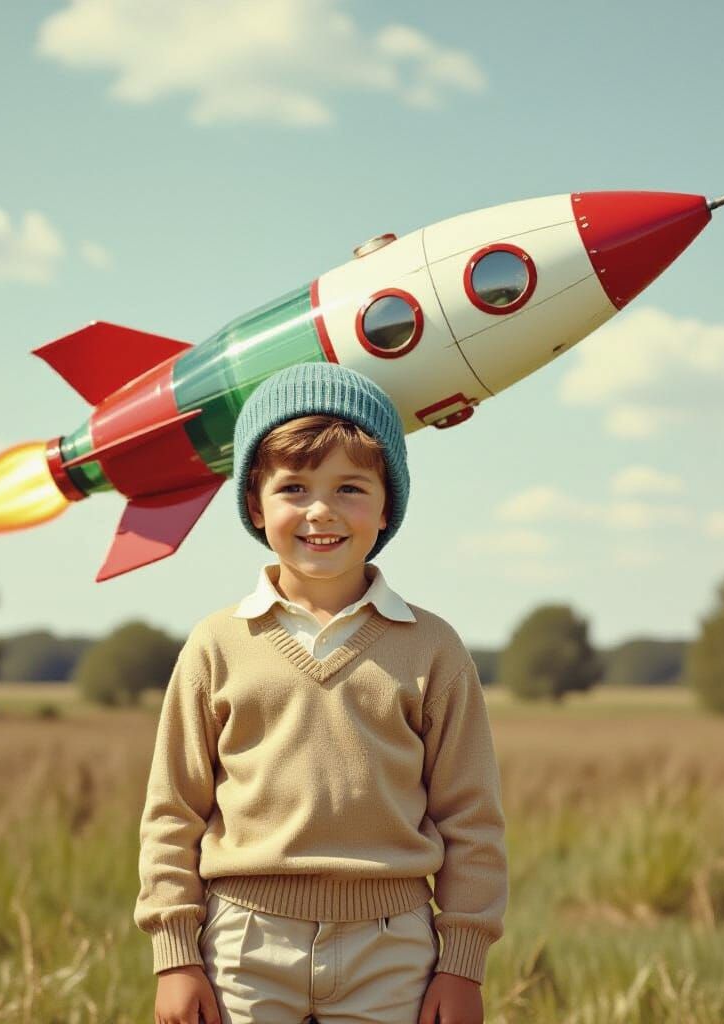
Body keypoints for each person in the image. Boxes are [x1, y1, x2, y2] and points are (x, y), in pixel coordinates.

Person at [135, 362, 507, 1024]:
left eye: (350, 488)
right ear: (255, 504)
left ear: (387, 504)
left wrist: (462, 963)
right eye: (294, 487)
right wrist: (175, 956)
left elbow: (471, 819)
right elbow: (173, 812)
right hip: (243, 944)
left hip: (393, 949)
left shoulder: (434, 648)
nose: (321, 511)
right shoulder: (216, 644)